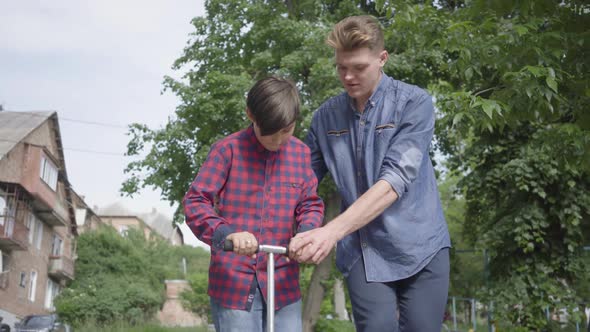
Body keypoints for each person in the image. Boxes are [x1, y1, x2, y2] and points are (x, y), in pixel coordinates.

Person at [289, 15, 451, 332]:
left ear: (382, 59)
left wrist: (330, 232)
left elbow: (394, 182)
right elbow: (298, 179)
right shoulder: (325, 117)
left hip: (422, 248)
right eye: (341, 67)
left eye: (359, 68)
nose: (348, 76)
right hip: (364, 251)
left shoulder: (414, 103)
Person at [183, 76, 324, 332]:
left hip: (283, 283)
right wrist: (227, 233)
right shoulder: (227, 150)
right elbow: (195, 203)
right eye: (269, 132)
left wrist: (306, 233)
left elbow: (310, 204)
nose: (278, 140)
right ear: (250, 114)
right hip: (234, 283)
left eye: (286, 130)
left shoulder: (301, 154)